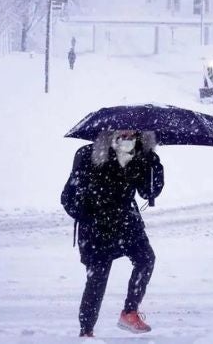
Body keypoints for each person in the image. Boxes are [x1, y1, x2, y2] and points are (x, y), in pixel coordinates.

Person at [61, 130, 164, 337]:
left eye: (132, 130)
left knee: (146, 259)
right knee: (97, 279)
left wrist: (153, 164)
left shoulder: (141, 156)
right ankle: (86, 332)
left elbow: (148, 192)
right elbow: (68, 197)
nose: (127, 134)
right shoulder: (90, 154)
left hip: (127, 222)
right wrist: (90, 213)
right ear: (110, 131)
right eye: (121, 130)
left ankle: (129, 312)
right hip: (97, 227)